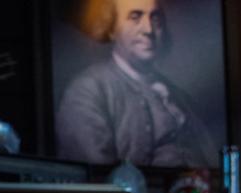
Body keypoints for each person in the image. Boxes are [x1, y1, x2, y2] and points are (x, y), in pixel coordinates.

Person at [56, 0, 217, 168]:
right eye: (135, 17)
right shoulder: (87, 91)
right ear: (112, 29)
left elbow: (210, 159)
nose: (148, 29)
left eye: (155, 18)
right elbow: (98, 176)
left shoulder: (179, 96)